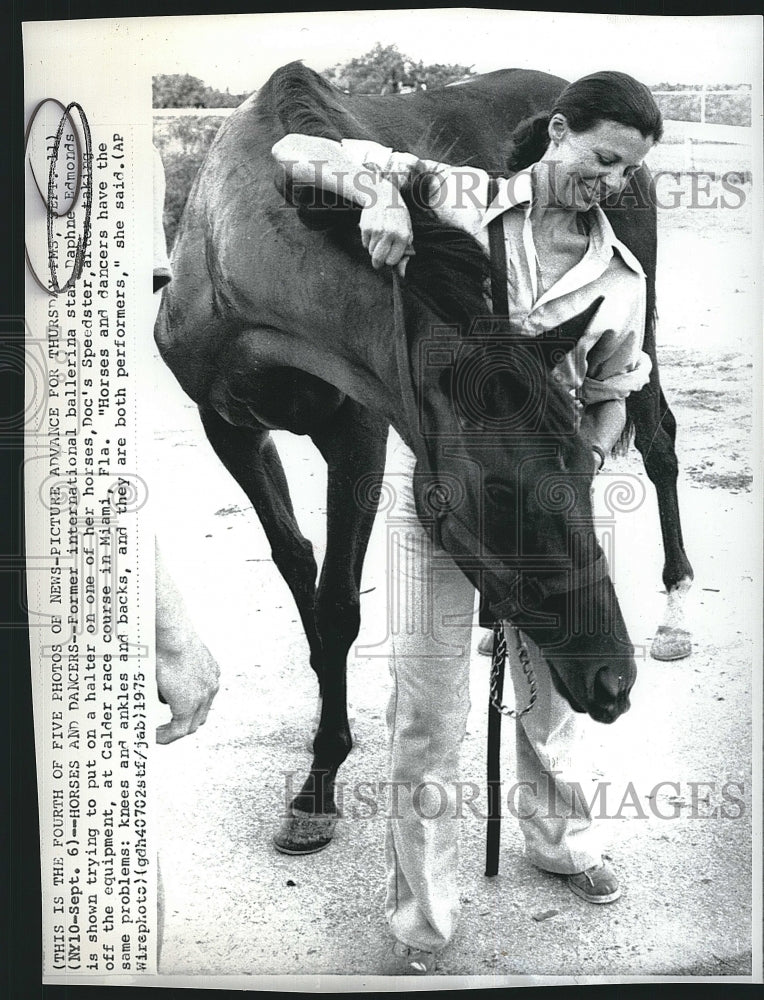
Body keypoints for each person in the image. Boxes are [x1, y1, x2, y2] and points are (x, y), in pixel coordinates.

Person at [272, 70, 662, 975]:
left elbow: (614, 394)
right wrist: (381, 194)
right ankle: (422, 921)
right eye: (602, 159)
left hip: (552, 499)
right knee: (430, 710)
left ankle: (561, 842)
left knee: (555, 690)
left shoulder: (623, 276)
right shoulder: (461, 196)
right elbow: (297, 154)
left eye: (626, 174)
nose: (610, 184)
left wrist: (592, 457)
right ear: (560, 132)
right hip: (450, 487)